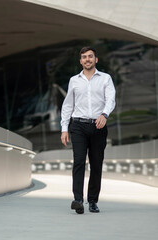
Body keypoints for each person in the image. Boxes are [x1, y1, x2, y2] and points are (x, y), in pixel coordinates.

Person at [60, 46, 116, 214]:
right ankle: (78, 200)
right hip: (78, 126)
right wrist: (64, 128)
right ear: (80, 61)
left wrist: (105, 115)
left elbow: (111, 99)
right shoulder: (74, 80)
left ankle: (92, 201)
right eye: (84, 57)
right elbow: (68, 105)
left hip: (99, 126)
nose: (87, 59)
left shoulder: (106, 79)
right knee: (78, 162)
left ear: (96, 59)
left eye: (90, 56)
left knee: (96, 164)